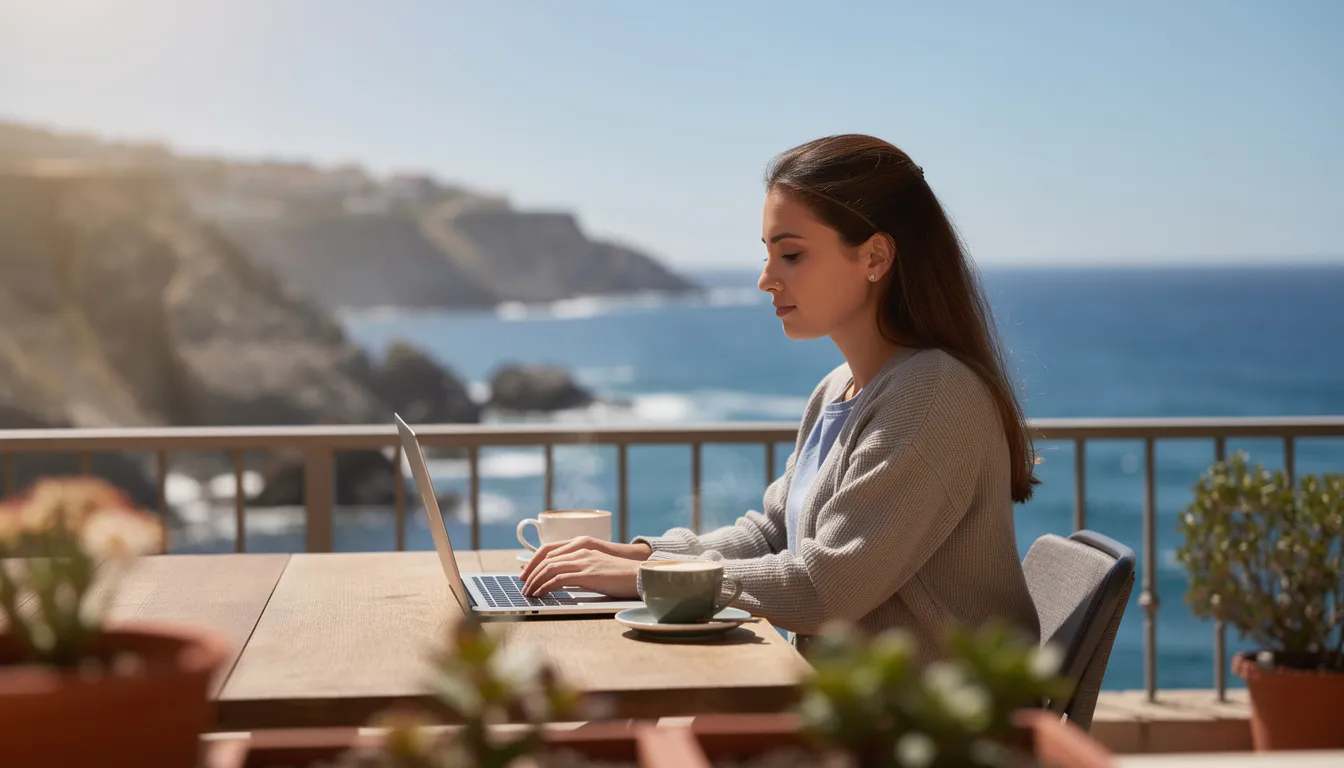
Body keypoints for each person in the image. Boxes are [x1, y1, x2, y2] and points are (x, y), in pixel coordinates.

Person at [522, 134, 1041, 661]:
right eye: (768, 254)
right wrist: (644, 554)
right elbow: (771, 534)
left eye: (791, 254)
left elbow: (825, 588)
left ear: (876, 256)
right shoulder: (838, 389)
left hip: (925, 726)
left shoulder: (932, 394)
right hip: (854, 705)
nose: (766, 279)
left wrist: (647, 578)